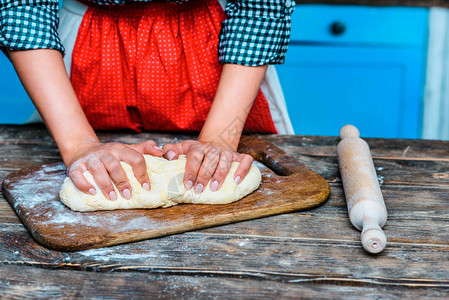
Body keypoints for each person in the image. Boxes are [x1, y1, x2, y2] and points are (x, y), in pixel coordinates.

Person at [0, 0, 295, 201]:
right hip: (88, 45)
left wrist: (221, 138)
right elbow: (24, 7)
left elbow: (260, 6)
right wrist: (78, 144)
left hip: (216, 51)